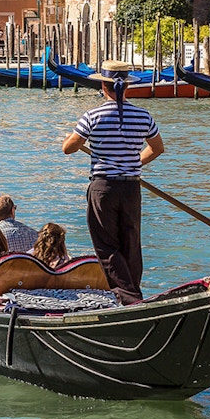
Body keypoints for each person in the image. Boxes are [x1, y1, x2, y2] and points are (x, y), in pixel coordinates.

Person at [63, 60, 165, 305]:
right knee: (131, 242)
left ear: (102, 85)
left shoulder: (92, 115)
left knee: (106, 245)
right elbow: (157, 148)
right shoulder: (143, 115)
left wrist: (76, 137)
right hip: (131, 187)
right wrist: (133, 163)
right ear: (126, 86)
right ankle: (133, 293)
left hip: (103, 188)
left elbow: (69, 148)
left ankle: (130, 297)